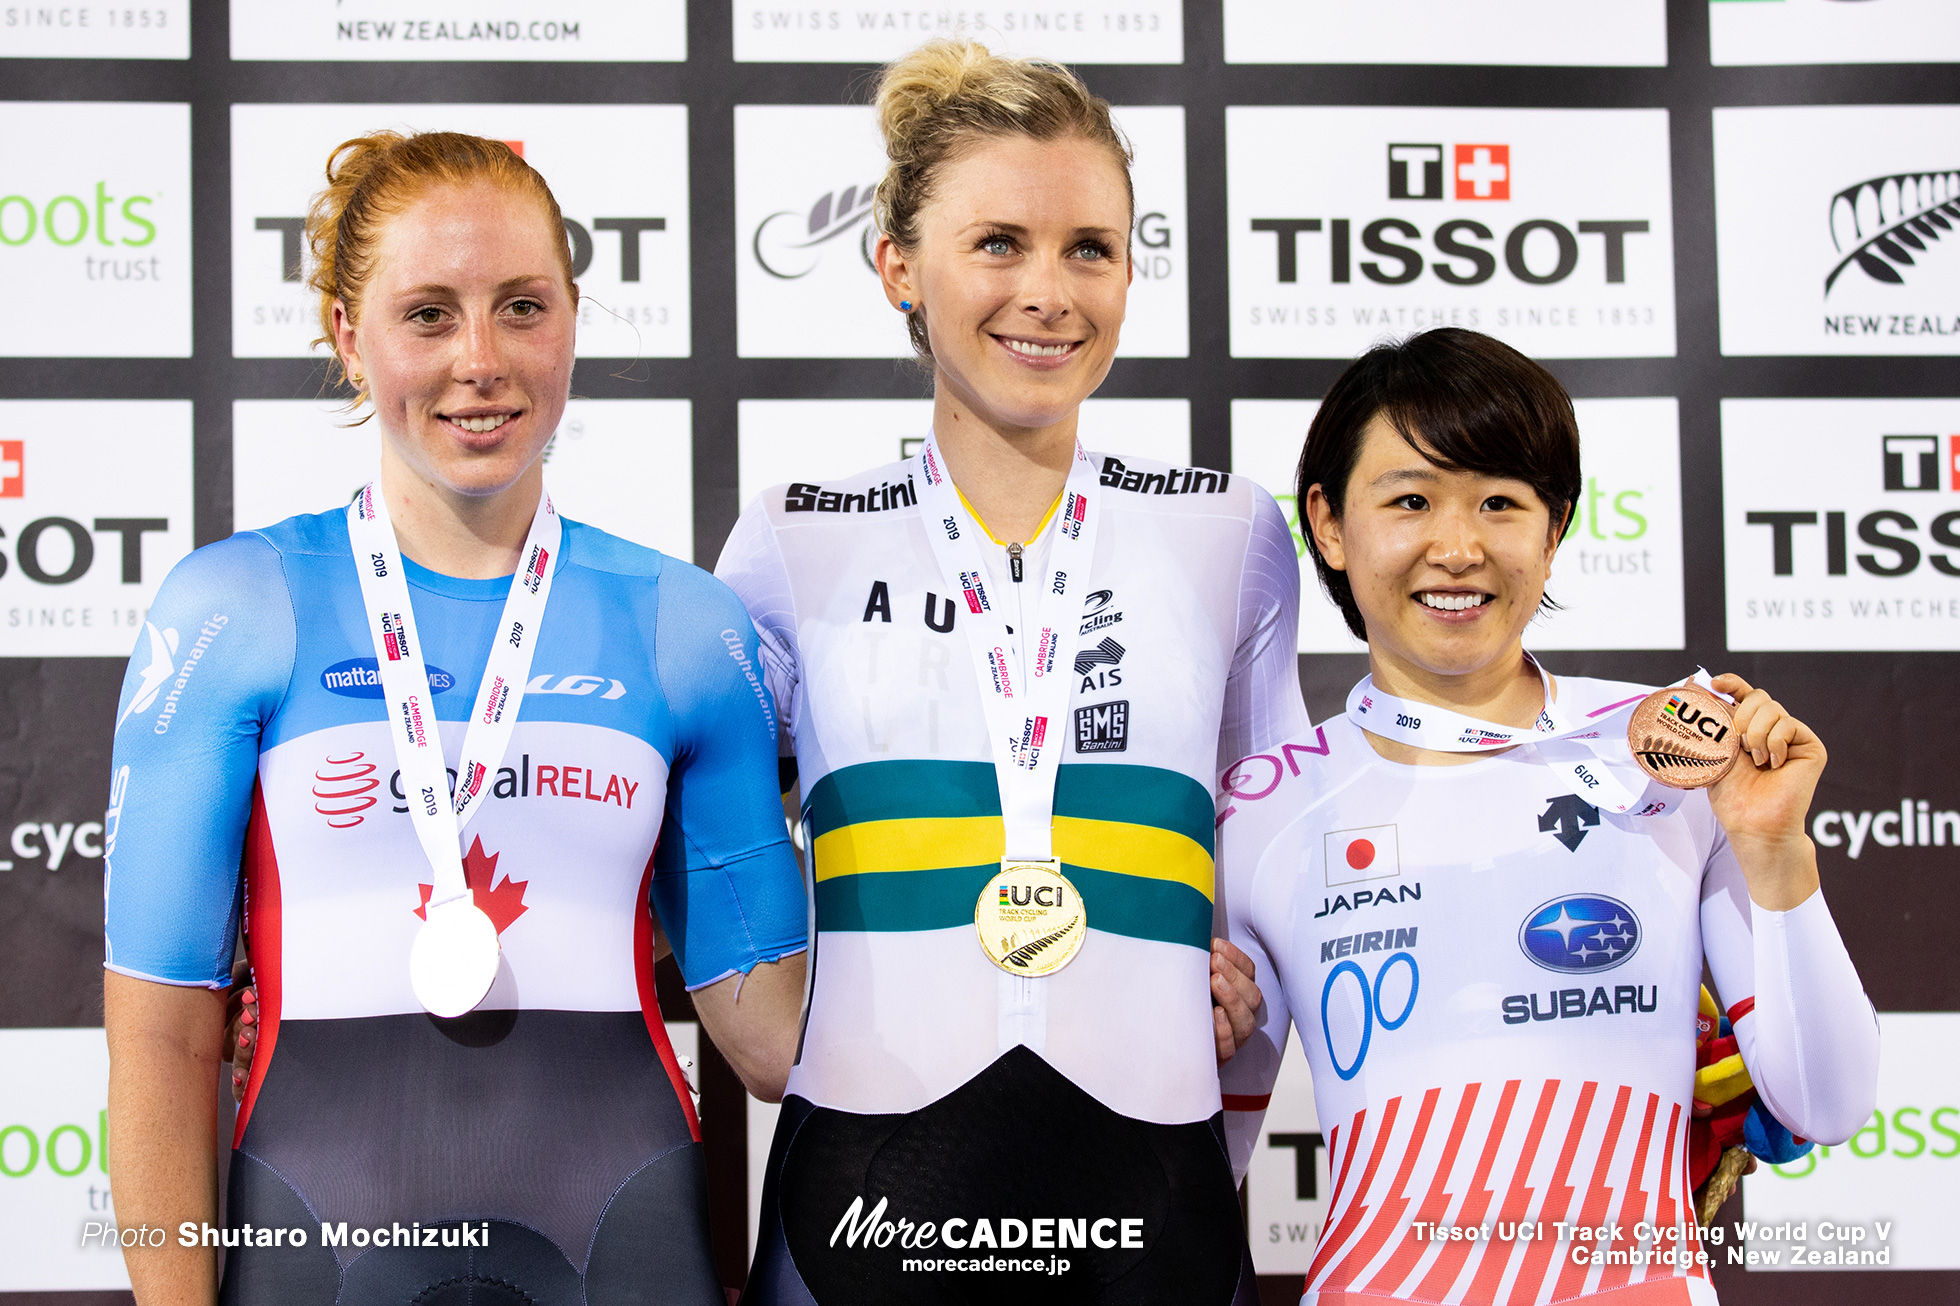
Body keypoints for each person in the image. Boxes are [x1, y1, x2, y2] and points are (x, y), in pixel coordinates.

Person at [103, 130, 806, 1306]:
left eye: (520, 307)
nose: (480, 360)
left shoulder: (685, 625)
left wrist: (1117, 971)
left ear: (574, 316)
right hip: (313, 1249)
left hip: (626, 1250)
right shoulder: (236, 609)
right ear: (347, 333)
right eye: (427, 313)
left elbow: (777, 1039)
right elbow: (165, 1037)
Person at [714, 40, 1308, 1306]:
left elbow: (1269, 856)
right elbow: (698, 829)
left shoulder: (1232, 532)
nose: (1048, 291)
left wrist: (1236, 983)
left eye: (1089, 247)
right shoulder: (791, 537)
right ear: (898, 269)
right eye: (997, 243)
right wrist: (764, 1019)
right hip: (864, 1190)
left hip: (1155, 1191)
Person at [1215, 328, 1880, 1305]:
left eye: (1499, 501)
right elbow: (1201, 1170)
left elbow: (1826, 1102)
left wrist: (1774, 849)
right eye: (1409, 500)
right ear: (1328, 523)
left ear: (1553, 527)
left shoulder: (1678, 751)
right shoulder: (1264, 808)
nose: (1457, 545)